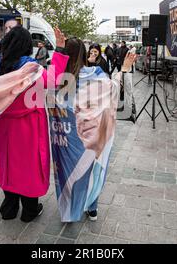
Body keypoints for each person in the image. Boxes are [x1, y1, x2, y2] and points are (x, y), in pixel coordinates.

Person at [52, 32, 136, 222]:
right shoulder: (94, 73)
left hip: (65, 136)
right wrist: (123, 69)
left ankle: (70, 205)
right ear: (84, 54)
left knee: (68, 170)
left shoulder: (57, 78)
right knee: (93, 169)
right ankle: (91, 206)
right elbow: (113, 88)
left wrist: (58, 50)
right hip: (89, 136)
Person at [0, 26, 69, 223]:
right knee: (30, 166)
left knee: (8, 163)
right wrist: (60, 50)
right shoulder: (31, 68)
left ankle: (8, 208)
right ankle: (29, 209)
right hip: (29, 125)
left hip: (5, 125)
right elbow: (54, 81)